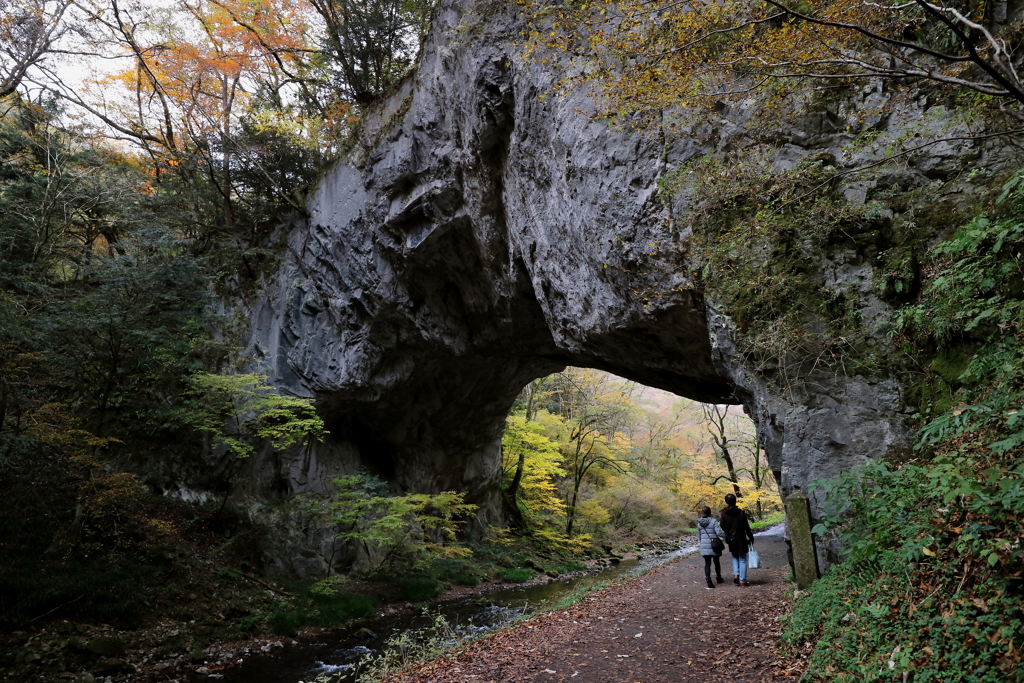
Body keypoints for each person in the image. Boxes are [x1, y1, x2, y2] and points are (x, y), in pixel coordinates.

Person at [720, 493, 755, 587]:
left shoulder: (723, 513)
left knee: (734, 556)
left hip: (731, 538)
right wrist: (750, 537)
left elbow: (722, 525)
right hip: (741, 538)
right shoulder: (740, 512)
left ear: (726, 502)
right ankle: (742, 581)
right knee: (742, 558)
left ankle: (736, 575)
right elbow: (746, 526)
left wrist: (728, 532)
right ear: (735, 501)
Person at [696, 506, 726, 589]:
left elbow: (699, 536)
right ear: (710, 512)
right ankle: (719, 578)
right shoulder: (713, 521)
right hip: (714, 545)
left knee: (707, 563)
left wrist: (702, 544)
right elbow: (718, 533)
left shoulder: (699, 522)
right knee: (716, 562)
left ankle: (708, 580)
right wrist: (727, 536)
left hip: (704, 545)